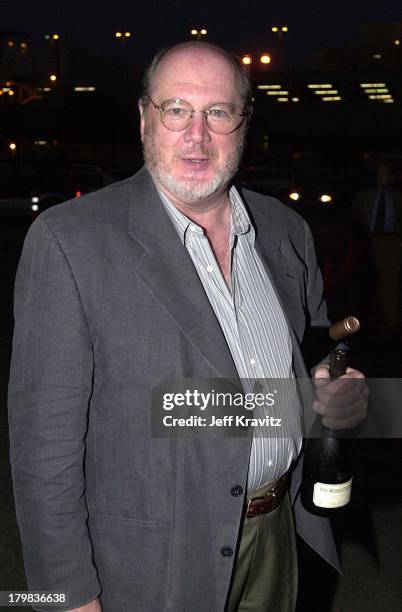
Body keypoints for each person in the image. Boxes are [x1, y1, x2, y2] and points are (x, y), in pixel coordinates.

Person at [8, 41, 367, 612]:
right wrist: (66, 597)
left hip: (280, 534)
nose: (196, 134)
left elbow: (308, 357)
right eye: (177, 109)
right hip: (150, 560)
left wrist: (335, 390)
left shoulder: (285, 231)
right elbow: (43, 447)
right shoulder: (69, 240)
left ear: (244, 122)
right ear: (146, 117)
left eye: (218, 112)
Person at [351, 162, 402, 337]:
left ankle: (390, 323)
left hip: (390, 241)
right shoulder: (364, 196)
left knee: (389, 282)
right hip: (367, 241)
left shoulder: (397, 197)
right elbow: (354, 218)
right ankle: (362, 321)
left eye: (386, 174)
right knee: (364, 280)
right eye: (379, 174)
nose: (382, 178)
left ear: (391, 177)